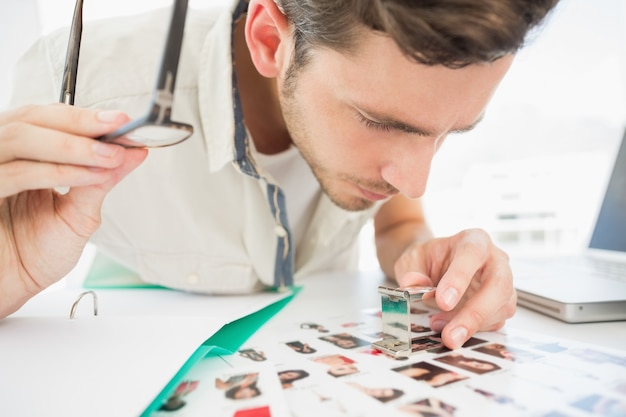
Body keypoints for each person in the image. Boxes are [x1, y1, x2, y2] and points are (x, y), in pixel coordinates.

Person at [0, 0, 559, 349]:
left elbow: (399, 221)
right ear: (271, 39)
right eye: (379, 122)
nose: (415, 180)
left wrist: (424, 252)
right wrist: (12, 268)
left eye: (449, 133)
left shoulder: (393, 117)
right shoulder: (75, 89)